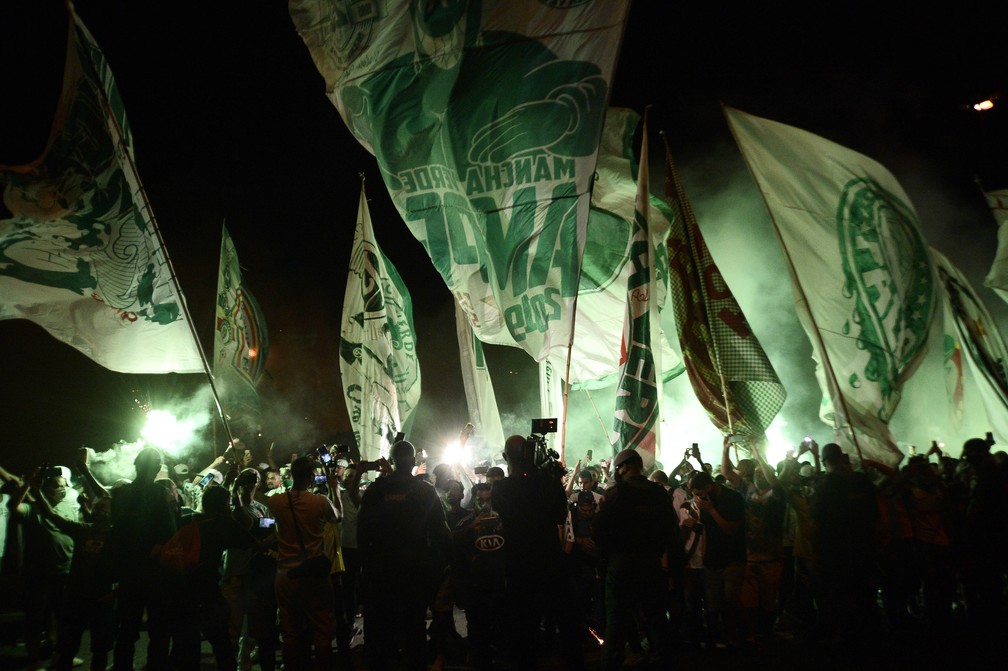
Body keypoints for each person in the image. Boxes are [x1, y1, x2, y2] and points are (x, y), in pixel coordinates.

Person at [358, 441, 451, 671]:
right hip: (414, 570)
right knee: (414, 628)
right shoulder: (425, 491)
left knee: (382, 629)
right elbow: (441, 532)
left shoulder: (376, 490)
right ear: (413, 463)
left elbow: (361, 532)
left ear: (391, 461)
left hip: (382, 570)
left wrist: (367, 566)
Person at [491, 435, 577, 670]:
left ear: (506, 457)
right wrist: (548, 475)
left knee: (523, 629)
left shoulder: (501, 489)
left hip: (520, 566)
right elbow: (560, 516)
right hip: (550, 561)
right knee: (566, 623)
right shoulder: (549, 484)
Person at [592, 448, 678, 670]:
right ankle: (663, 659)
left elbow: (599, 533)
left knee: (616, 619)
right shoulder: (658, 493)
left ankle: (612, 662)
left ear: (626, 467)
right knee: (656, 615)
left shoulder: (616, 494)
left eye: (619, 468)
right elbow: (671, 529)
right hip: (650, 562)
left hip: (621, 563)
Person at [105, 446, 179, 671]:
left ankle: (122, 667)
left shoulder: (120, 493)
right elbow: (169, 531)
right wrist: (151, 555)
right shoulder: (159, 493)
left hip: (128, 572)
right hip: (153, 573)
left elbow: (116, 531)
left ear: (136, 465)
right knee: (158, 629)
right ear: (157, 468)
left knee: (127, 629)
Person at [266, 455, 341, 670]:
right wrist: (334, 489)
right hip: (314, 573)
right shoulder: (319, 501)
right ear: (311, 477)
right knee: (321, 629)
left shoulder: (276, 501)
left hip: (286, 574)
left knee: (289, 631)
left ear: (291, 475)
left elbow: (273, 526)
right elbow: (338, 516)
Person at [8, 467, 76, 670]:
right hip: (39, 575)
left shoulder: (68, 508)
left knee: (61, 618)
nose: (62, 489)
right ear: (45, 489)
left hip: (65, 573)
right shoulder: (32, 508)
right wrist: (29, 483)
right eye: (57, 486)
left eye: (64, 486)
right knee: (35, 619)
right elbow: (13, 505)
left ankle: (59, 656)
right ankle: (34, 660)